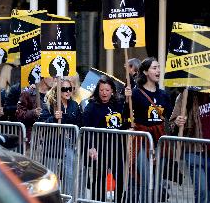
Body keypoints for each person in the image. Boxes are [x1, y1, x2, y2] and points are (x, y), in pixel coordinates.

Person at [125, 57, 172, 202]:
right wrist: (127, 101)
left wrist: (178, 120)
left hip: (160, 141)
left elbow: (170, 118)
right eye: (154, 68)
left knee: (157, 181)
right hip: (141, 141)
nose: (158, 71)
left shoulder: (164, 95)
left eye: (158, 68)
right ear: (145, 71)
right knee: (146, 179)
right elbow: (126, 115)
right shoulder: (136, 93)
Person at [82, 75, 127, 202]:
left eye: (107, 90)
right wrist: (90, 147)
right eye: (101, 90)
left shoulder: (119, 103)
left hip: (118, 148)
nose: (104, 93)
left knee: (120, 178)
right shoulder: (91, 107)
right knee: (99, 180)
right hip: (100, 148)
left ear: (112, 90)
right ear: (98, 90)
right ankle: (97, 201)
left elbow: (128, 118)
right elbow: (85, 129)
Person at [39, 78, 81, 195]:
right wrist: (54, 118)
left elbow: (80, 124)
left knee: (69, 176)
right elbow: (41, 124)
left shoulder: (74, 105)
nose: (67, 92)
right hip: (52, 146)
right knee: (50, 178)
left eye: (70, 89)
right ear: (58, 90)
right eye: (64, 89)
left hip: (69, 146)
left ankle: (68, 198)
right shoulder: (49, 104)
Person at [169, 90, 210, 203]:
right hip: (193, 150)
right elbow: (172, 124)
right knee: (202, 190)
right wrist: (177, 122)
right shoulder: (185, 95)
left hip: (209, 151)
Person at [15, 77, 55, 145]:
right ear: (44, 77)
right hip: (32, 139)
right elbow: (19, 114)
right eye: (52, 77)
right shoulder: (28, 93)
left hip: (49, 140)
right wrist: (33, 113)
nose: (54, 79)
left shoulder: (54, 94)